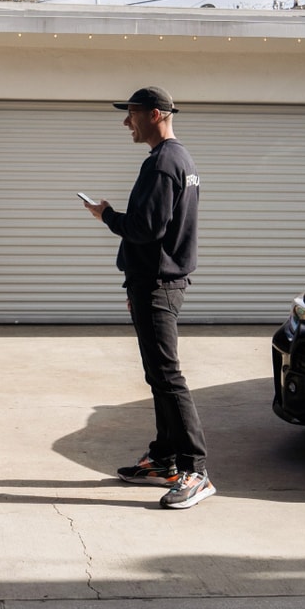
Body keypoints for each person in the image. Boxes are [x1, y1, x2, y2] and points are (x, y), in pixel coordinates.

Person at [86, 86, 213, 510]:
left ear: (155, 114)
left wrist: (106, 215)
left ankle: (195, 471)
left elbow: (146, 228)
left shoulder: (162, 163)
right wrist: (136, 284)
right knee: (158, 375)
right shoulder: (181, 159)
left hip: (158, 283)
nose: (127, 122)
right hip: (154, 282)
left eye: (133, 114)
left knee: (168, 376)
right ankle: (164, 459)